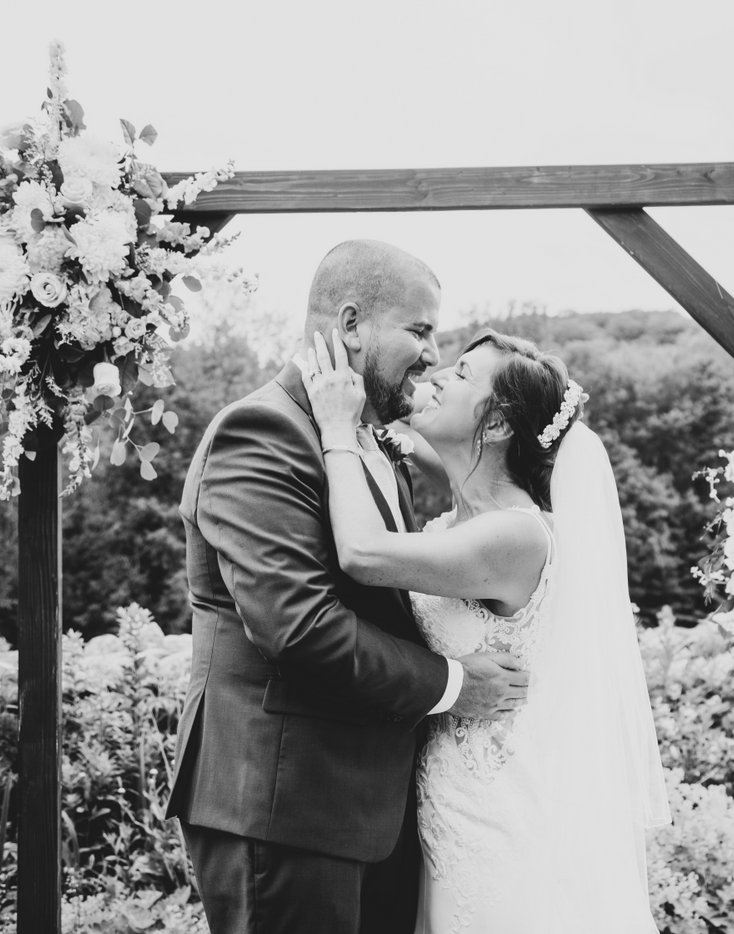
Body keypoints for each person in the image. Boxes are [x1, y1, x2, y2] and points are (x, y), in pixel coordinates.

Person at [166, 240, 528, 934]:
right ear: (353, 324)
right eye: (419, 331)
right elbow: (299, 628)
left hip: (370, 812)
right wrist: (455, 684)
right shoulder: (261, 432)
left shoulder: (365, 441)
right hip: (282, 807)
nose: (430, 353)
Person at [297, 326, 669, 933]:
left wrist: (339, 429)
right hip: (445, 809)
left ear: (495, 425)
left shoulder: (515, 535)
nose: (439, 373)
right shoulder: (449, 528)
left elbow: (363, 553)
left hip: (502, 817)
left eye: (463, 375)